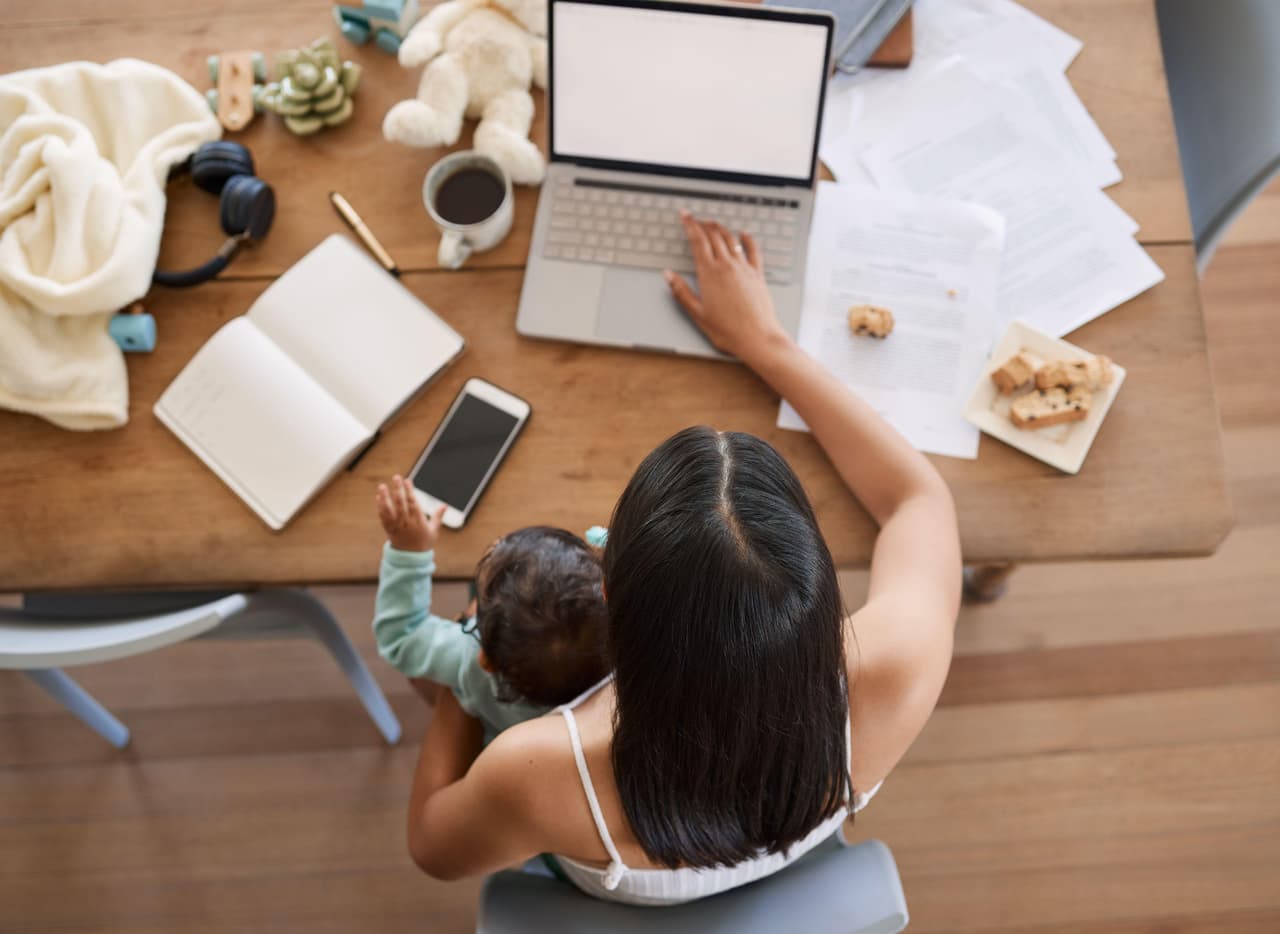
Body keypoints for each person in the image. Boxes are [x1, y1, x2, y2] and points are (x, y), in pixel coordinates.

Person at [397, 212, 962, 906]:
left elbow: (431, 845)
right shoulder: (901, 662)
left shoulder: (540, 768)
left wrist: (469, 666)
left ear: (609, 598)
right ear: (813, 578)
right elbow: (917, 499)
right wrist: (767, 344)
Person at [373, 474, 610, 742]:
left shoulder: (469, 662)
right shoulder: (623, 674)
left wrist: (409, 553)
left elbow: (402, 635)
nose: (496, 544)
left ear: (485, 660)